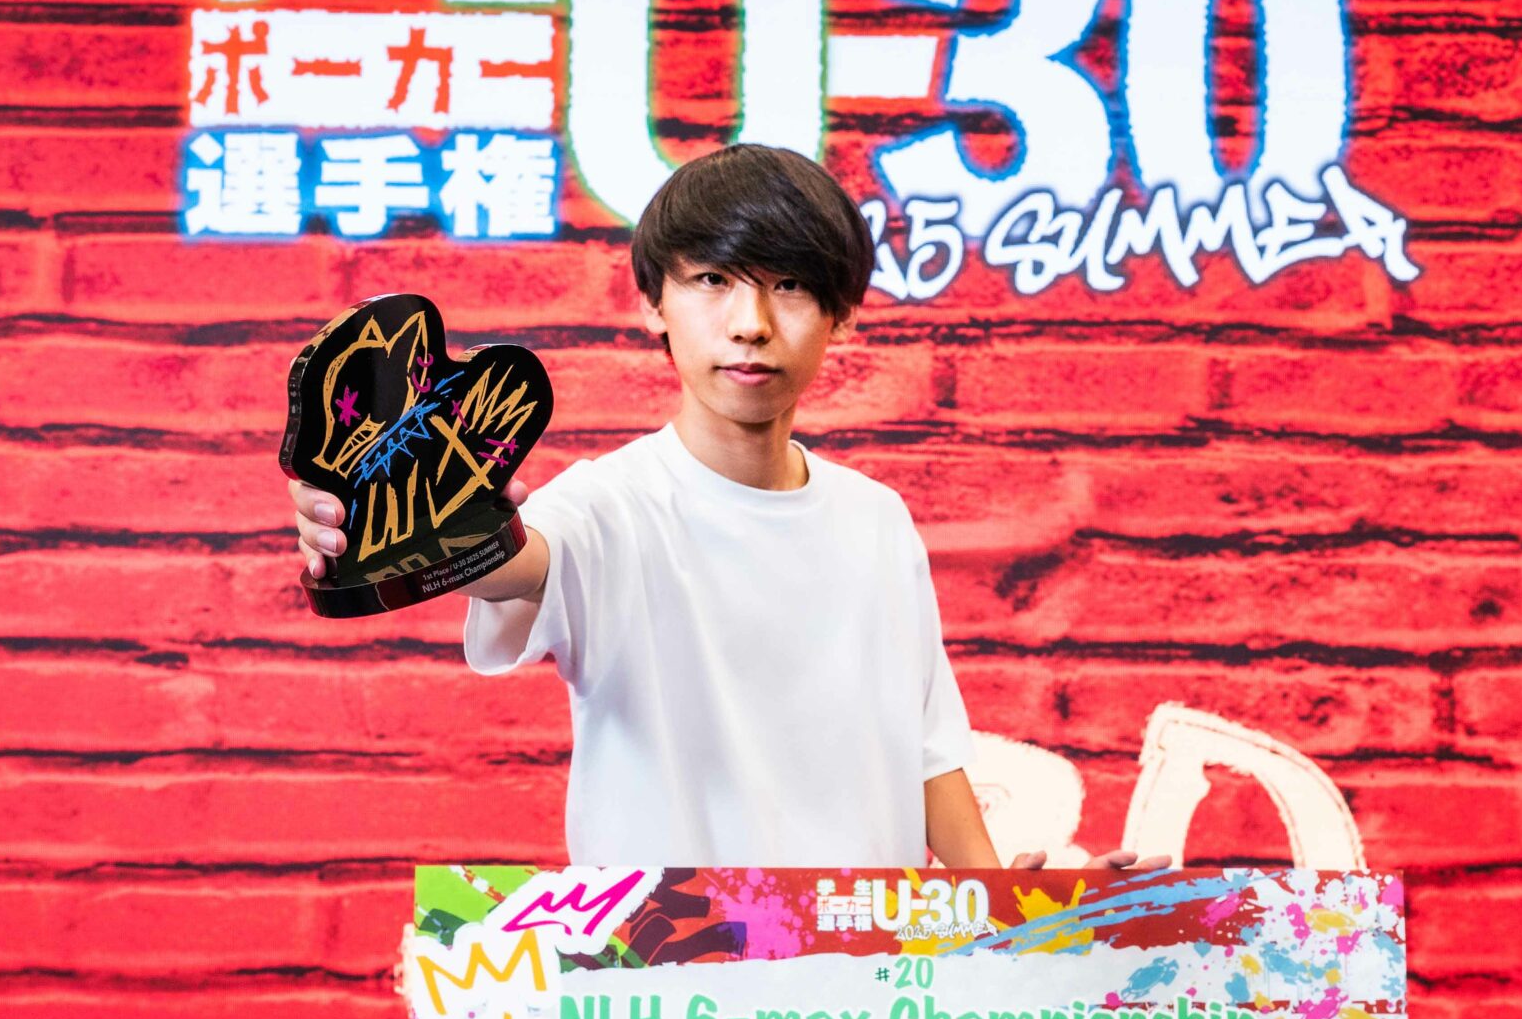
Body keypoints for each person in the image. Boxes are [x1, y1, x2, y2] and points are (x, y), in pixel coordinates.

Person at [289, 143, 1167, 874]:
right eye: (712, 280)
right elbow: (520, 559)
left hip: (872, 985)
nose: (750, 322)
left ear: (842, 316)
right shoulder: (608, 506)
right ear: (653, 305)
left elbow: (926, 751)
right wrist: (400, 518)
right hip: (670, 993)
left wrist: (1011, 915)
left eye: (790, 286)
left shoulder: (875, 519)